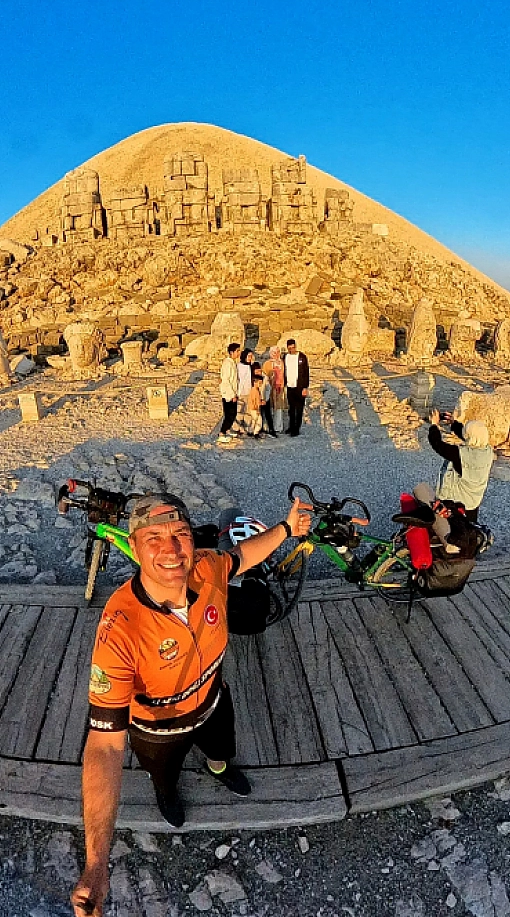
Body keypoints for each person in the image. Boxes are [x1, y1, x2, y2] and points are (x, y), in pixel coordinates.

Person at [72, 494, 311, 917]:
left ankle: (218, 766)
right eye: (154, 538)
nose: (171, 549)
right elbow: (105, 746)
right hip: (158, 730)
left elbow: (239, 556)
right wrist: (96, 863)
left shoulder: (206, 566)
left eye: (181, 534)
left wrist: (287, 530)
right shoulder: (120, 630)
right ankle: (167, 793)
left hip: (213, 699)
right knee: (164, 773)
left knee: (222, 747)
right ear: (134, 545)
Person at [425, 410, 494, 522]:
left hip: (456, 501)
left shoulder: (461, 455)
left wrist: (434, 425)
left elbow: (438, 444)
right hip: (473, 500)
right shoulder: (488, 451)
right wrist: (453, 423)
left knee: (450, 530)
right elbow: (469, 436)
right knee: (470, 527)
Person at [281, 339, 310, 437]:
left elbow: (306, 373)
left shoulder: (302, 357)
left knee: (299, 408)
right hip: (290, 386)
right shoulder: (285, 357)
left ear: (295, 346)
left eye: (293, 347)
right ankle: (291, 426)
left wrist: (305, 387)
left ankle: (296, 428)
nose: (292, 350)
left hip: (300, 386)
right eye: (290, 348)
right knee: (291, 408)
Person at [216, 343, 240, 444]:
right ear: (231, 352)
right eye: (237, 351)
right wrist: (232, 395)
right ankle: (221, 433)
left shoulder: (232, 363)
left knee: (232, 413)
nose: (239, 353)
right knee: (230, 414)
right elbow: (225, 381)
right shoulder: (227, 364)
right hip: (228, 394)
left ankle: (227, 430)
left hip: (232, 392)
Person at [261, 348, 283, 436]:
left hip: (279, 387)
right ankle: (267, 426)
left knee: (278, 407)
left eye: (278, 352)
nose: (276, 354)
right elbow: (264, 376)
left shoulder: (282, 363)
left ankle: (278, 426)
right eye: (274, 352)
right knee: (268, 407)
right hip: (269, 388)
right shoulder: (267, 363)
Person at [240, 368, 267, 436]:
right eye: (260, 383)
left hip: (252, 408)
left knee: (253, 421)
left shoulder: (252, 390)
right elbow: (257, 402)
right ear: (255, 382)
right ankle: (256, 432)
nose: (261, 384)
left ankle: (250, 431)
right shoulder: (256, 391)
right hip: (255, 409)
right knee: (259, 421)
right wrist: (261, 404)